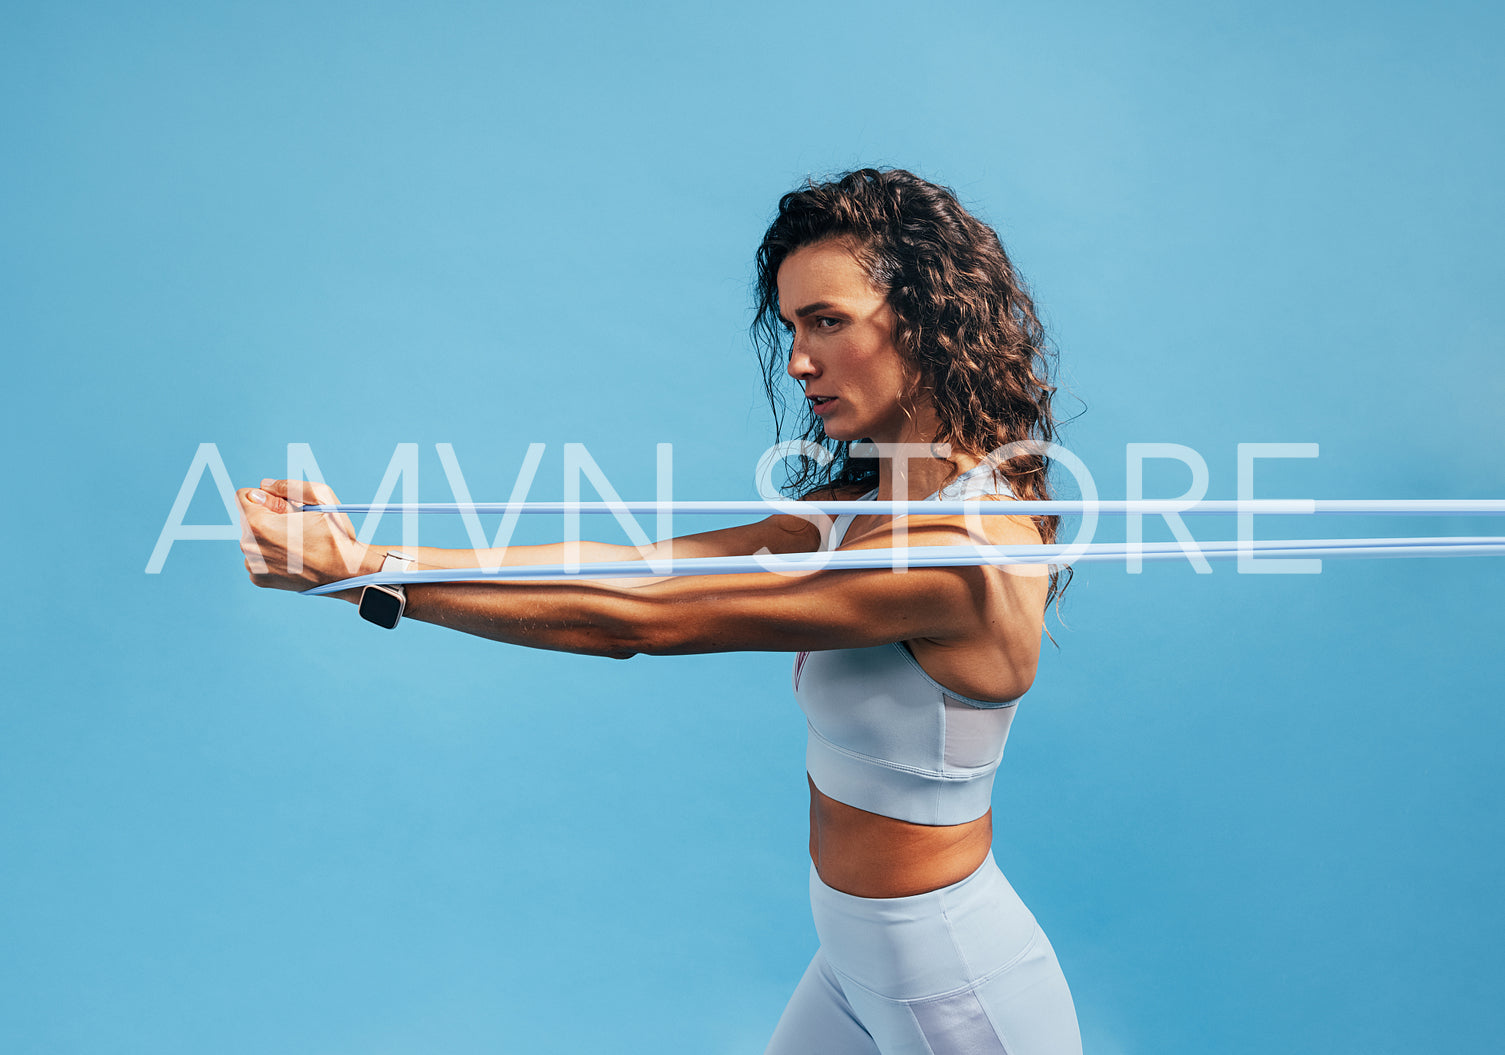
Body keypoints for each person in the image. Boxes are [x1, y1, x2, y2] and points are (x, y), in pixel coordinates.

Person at [238, 167, 1083, 1054]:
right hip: (853, 959)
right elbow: (637, 570)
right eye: (793, 326)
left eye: (827, 321)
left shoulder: (957, 554)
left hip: (952, 984)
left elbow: (638, 620)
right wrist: (370, 556)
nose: (799, 359)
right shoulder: (862, 509)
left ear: (926, 319)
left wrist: (367, 575)